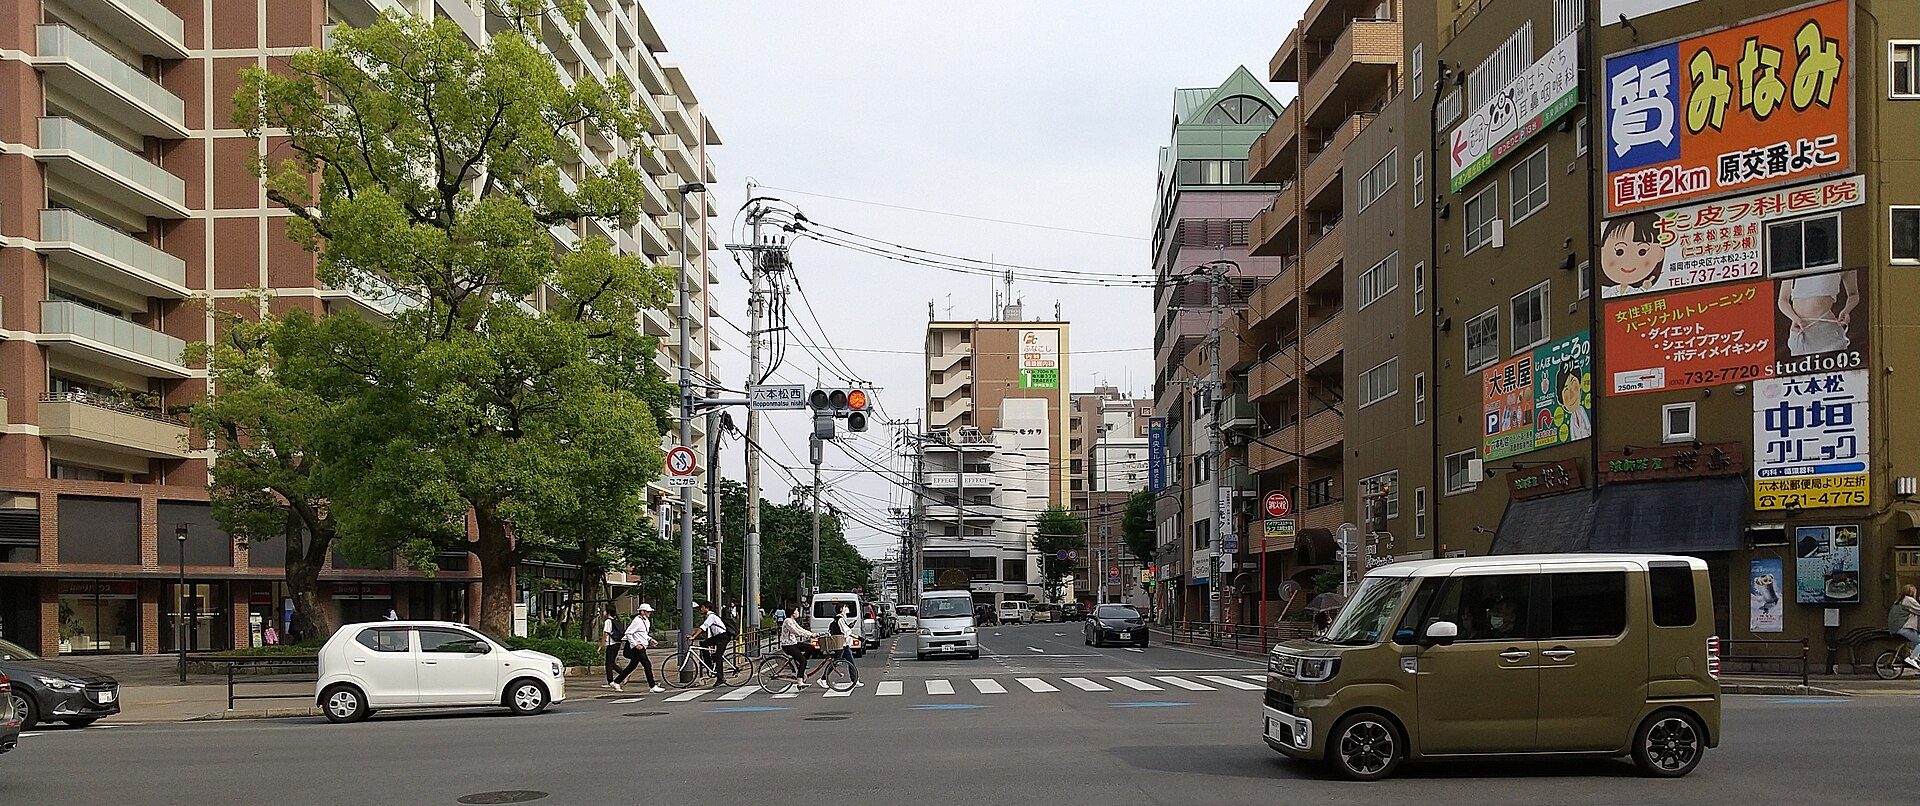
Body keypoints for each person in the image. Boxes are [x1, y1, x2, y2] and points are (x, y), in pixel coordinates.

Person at [1599, 213, 1664, 292]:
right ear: (1602, 251)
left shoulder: (1635, 291)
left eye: (1642, 252)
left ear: (1660, 255)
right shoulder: (1604, 291)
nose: (1628, 262)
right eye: (1620, 251)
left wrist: (1644, 287)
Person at [612, 603, 662, 692]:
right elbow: (628, 633)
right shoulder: (637, 621)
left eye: (649, 612)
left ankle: (617, 681)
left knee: (632, 666)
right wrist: (635, 644)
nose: (649, 613)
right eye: (647, 611)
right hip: (637, 647)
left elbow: (643, 634)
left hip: (641, 646)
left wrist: (650, 639)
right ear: (642, 612)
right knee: (647, 664)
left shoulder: (646, 621)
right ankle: (652, 686)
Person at [687, 601, 732, 683]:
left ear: (706, 608)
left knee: (718, 656)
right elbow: (701, 628)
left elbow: (703, 627)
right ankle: (709, 664)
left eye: (702, 607)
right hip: (718, 637)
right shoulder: (709, 616)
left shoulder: (711, 616)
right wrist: (693, 635)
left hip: (723, 637)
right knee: (703, 644)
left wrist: (693, 637)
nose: (701, 609)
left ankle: (720, 678)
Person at [779, 604, 818, 677]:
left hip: (793, 643)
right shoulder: (787, 621)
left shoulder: (793, 620)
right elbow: (796, 631)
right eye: (796, 610)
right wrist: (810, 635)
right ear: (792, 612)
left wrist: (811, 634)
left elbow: (800, 629)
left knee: (811, 648)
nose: (797, 612)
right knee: (803, 661)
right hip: (788, 645)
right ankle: (800, 680)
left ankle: (799, 663)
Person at [830, 605, 862, 688]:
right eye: (845, 607)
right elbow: (846, 632)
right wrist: (859, 638)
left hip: (844, 644)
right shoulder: (840, 619)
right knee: (836, 662)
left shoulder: (841, 618)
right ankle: (822, 679)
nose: (847, 608)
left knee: (851, 662)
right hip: (841, 644)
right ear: (841, 609)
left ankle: (854, 680)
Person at [1894, 584, 1920, 671]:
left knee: (1915, 644)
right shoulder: (1909, 600)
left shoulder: (1900, 600)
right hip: (1903, 627)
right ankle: (1912, 658)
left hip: (1898, 627)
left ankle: (1914, 659)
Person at [599, 604, 622, 687]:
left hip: (611, 644)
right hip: (617, 644)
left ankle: (612, 681)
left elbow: (605, 634)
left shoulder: (608, 621)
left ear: (608, 612)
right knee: (611, 663)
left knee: (609, 663)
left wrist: (600, 646)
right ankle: (621, 675)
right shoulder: (615, 621)